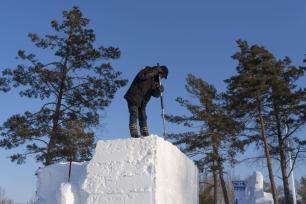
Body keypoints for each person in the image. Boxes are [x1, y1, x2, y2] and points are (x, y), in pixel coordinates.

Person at [124, 65, 168, 138]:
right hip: (134, 96)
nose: (161, 78)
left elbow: (154, 94)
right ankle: (133, 131)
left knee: (143, 116)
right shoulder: (148, 70)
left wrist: (159, 90)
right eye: (162, 76)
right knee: (134, 113)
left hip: (143, 101)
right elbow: (142, 76)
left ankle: (144, 133)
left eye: (162, 77)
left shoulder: (155, 82)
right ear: (160, 72)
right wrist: (154, 71)